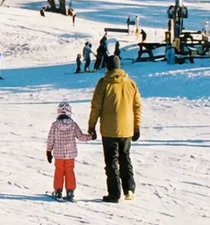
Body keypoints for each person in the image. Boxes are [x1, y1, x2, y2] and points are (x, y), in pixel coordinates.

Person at [88, 53, 142, 203]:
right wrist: (136, 126)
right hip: (127, 128)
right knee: (125, 158)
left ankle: (114, 193)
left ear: (107, 66)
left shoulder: (103, 83)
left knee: (111, 161)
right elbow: (137, 106)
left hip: (109, 129)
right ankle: (129, 189)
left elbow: (96, 107)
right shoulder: (130, 83)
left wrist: (91, 126)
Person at [46, 100, 93, 201]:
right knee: (69, 171)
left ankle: (58, 191)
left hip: (58, 154)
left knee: (59, 171)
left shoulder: (54, 125)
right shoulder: (73, 124)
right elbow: (80, 136)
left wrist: (48, 151)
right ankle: (70, 191)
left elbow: (50, 139)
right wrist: (91, 137)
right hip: (70, 154)